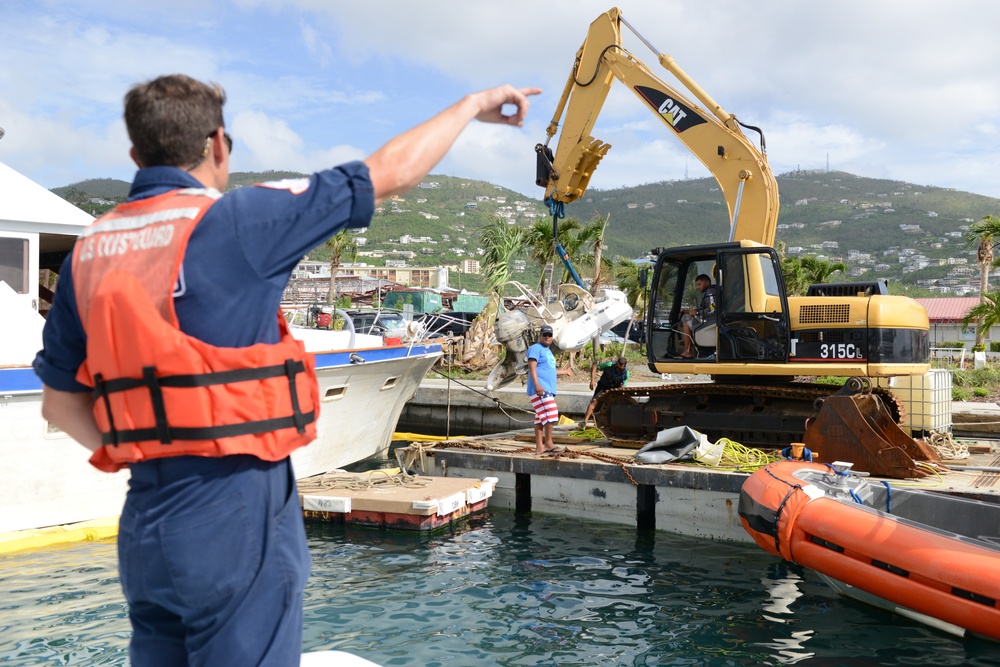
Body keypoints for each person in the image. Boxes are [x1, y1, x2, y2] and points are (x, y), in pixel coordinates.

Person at [32, 74, 540, 667]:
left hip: (146, 523)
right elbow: (392, 171)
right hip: (235, 515)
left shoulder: (90, 250)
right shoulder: (240, 220)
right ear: (218, 145)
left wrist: (152, 450)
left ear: (134, 155)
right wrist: (473, 103)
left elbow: (58, 404)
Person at [526, 325, 571, 455]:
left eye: (549, 335)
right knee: (551, 413)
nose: (547, 337)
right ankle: (548, 443)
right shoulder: (535, 348)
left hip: (547, 389)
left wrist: (565, 372)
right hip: (540, 389)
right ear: (540, 336)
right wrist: (537, 385)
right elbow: (532, 367)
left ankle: (540, 447)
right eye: (544, 335)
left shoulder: (548, 351)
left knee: (540, 418)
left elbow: (549, 370)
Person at [582, 356, 629, 426]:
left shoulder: (626, 373)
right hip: (603, 385)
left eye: (620, 369)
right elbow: (594, 367)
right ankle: (585, 422)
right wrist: (592, 380)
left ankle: (616, 422)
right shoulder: (609, 364)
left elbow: (623, 386)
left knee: (618, 401)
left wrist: (620, 391)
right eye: (617, 367)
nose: (618, 370)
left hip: (615, 387)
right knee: (594, 401)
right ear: (616, 364)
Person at [680, 273, 718, 358]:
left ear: (707, 282)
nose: (698, 287)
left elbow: (713, 309)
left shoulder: (710, 291)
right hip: (708, 320)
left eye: (700, 284)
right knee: (687, 315)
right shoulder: (710, 292)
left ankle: (687, 352)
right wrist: (692, 311)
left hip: (709, 322)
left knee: (685, 319)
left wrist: (697, 313)